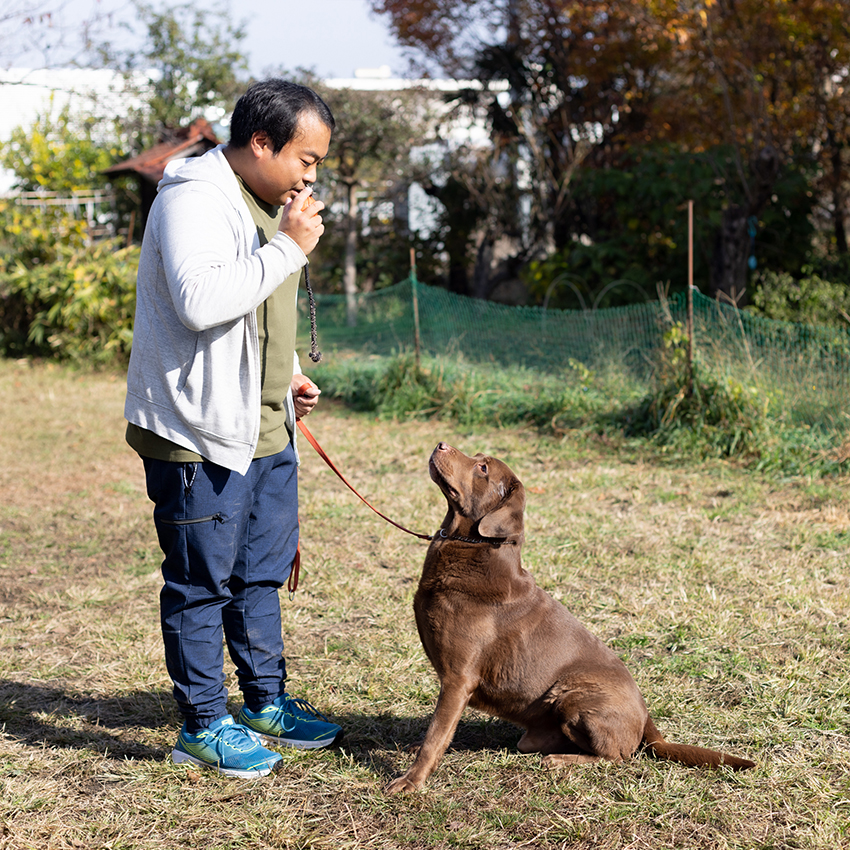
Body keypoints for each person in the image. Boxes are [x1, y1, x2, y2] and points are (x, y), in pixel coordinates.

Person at [124, 79, 341, 779]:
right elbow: (200, 302)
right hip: (199, 431)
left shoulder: (265, 203)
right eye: (305, 159)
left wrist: (289, 375)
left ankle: (264, 703)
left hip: (265, 425)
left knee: (258, 576)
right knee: (201, 583)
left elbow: (258, 313)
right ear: (260, 144)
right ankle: (203, 724)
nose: (311, 176)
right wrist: (291, 249)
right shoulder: (193, 197)